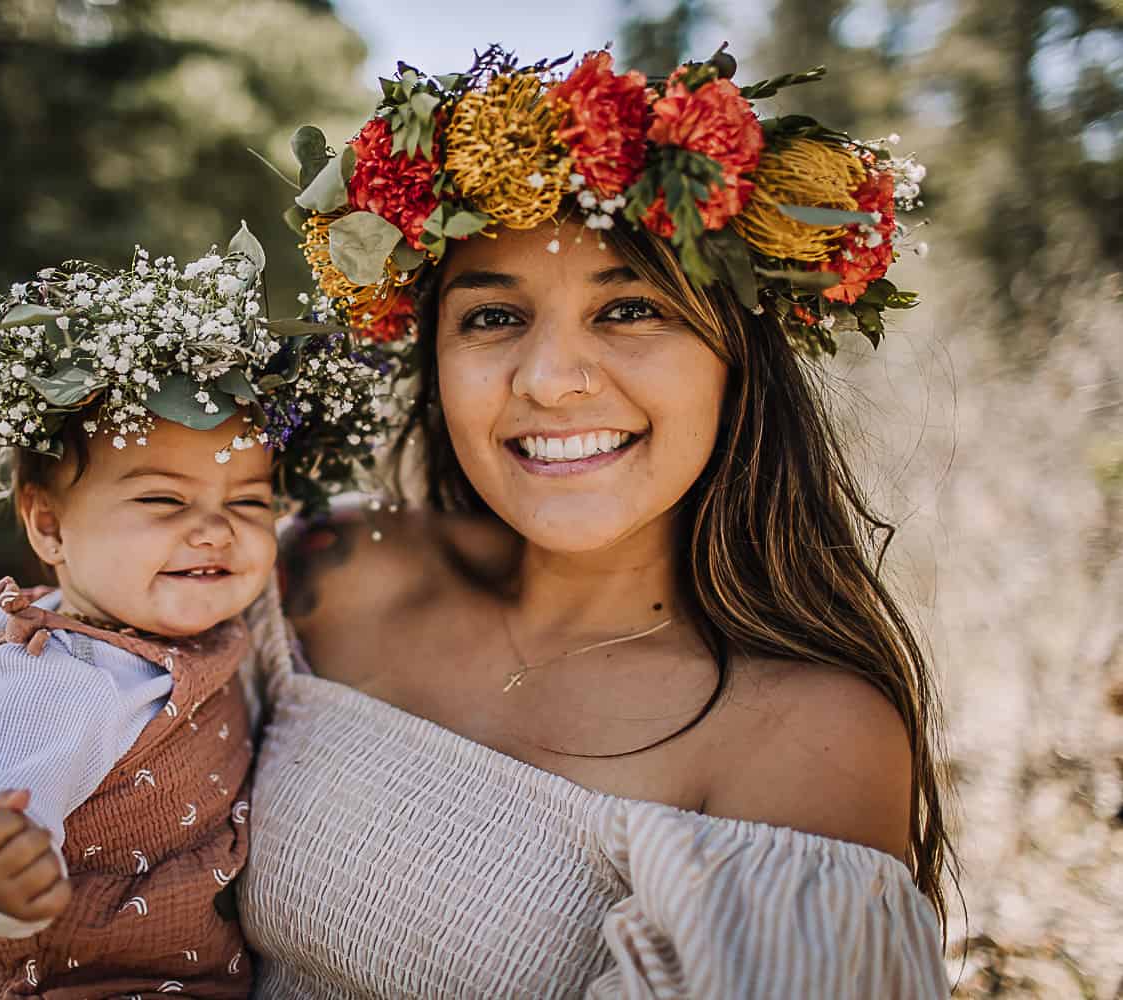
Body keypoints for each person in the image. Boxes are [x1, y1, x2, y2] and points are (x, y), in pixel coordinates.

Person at [234, 46, 952, 997]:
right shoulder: (340, 566)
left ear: (735, 357)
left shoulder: (808, 737)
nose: (547, 379)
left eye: (628, 308)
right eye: (492, 319)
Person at [0, 227, 388, 998]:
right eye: (162, 500)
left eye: (247, 502)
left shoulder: (198, 630)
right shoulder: (57, 679)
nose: (214, 529)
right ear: (48, 526)